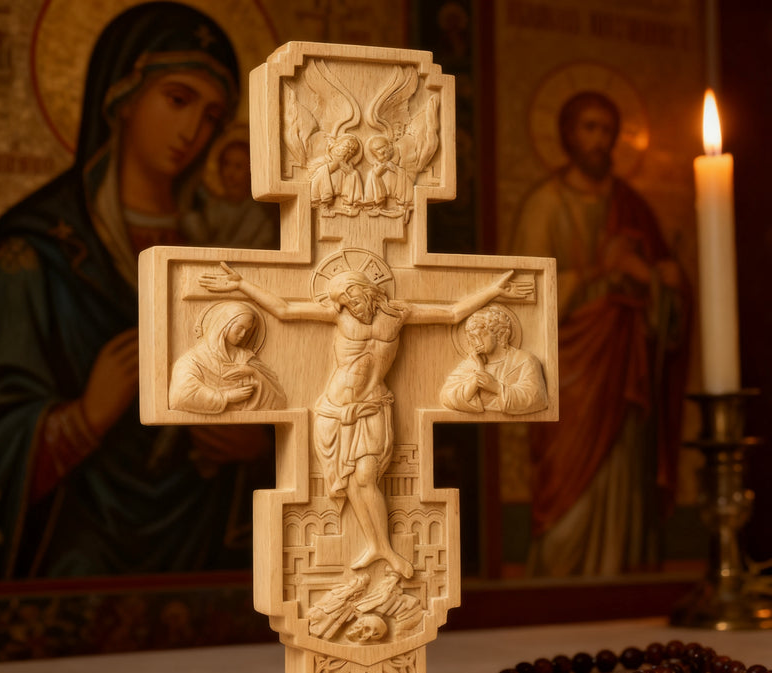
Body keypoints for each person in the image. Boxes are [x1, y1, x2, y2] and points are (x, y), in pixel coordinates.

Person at [0, 3, 272, 579]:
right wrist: (80, 420)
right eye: (178, 100)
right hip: (73, 560)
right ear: (122, 97)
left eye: (212, 116)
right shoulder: (33, 251)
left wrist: (258, 450)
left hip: (213, 558)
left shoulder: (230, 247)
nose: (193, 132)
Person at [199, 262, 530, 579]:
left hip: (373, 405)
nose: (350, 308)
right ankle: (378, 546)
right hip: (336, 410)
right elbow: (284, 310)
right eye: (343, 303)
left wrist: (493, 290)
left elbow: (453, 313)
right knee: (354, 480)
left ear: (365, 291)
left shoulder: (399, 314)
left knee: (366, 476)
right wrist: (242, 285)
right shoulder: (337, 314)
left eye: (351, 299)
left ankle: (380, 547)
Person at [510, 91, 690, 577]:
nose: (599, 140)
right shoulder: (544, 206)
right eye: (588, 128)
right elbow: (524, 298)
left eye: (607, 130)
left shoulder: (631, 205)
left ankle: (625, 572)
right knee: (568, 482)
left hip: (625, 369)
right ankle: (559, 579)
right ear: (567, 134)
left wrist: (661, 282)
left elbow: (662, 293)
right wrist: (599, 275)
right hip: (571, 372)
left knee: (624, 472)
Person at [169, 300, 286, 413]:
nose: (243, 334)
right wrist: (226, 396)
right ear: (223, 325)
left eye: (247, 330)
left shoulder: (246, 357)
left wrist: (253, 372)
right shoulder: (192, 360)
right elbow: (180, 396)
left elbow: (279, 399)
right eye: (240, 328)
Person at [440, 303, 548, 415]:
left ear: (499, 334)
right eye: (472, 338)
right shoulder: (470, 363)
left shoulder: (525, 361)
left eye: (481, 335)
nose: (476, 342)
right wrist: (474, 381)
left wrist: (496, 387)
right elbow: (446, 397)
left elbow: (537, 398)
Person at [181, 138, 279, 249]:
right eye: (226, 164)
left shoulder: (260, 215)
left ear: (251, 172)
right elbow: (201, 242)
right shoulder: (212, 207)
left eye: (238, 166)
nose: (230, 174)